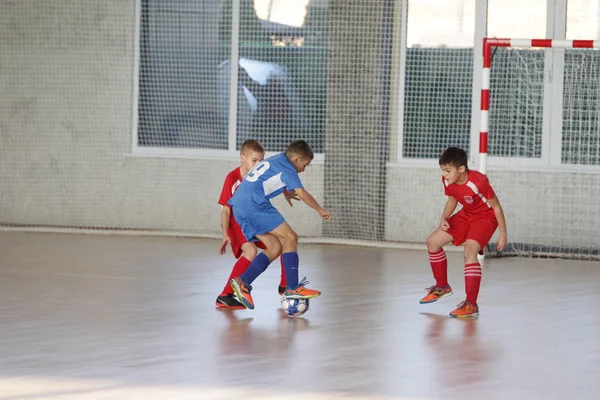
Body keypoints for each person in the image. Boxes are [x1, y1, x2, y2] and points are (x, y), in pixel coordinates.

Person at [228, 140, 331, 310]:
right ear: (297, 159)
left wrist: (285, 192)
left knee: (275, 246)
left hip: (240, 205)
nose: (304, 169)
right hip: (254, 205)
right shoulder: (289, 170)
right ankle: (292, 288)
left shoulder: (277, 159)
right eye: (305, 164)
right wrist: (320, 209)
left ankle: (243, 281)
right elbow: (303, 194)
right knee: (290, 237)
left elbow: (267, 177)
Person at [420, 147, 507, 318]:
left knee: (469, 252)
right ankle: (442, 287)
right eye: (443, 170)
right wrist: (444, 217)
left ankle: (471, 305)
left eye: (448, 170)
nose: (444, 174)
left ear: (461, 169)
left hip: (486, 218)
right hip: (466, 214)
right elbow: (452, 199)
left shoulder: (479, 181)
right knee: (432, 242)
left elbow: (496, 207)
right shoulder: (447, 181)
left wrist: (503, 233)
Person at [215, 139, 289, 309]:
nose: (258, 165)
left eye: (261, 161)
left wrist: (286, 192)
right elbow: (226, 210)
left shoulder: (259, 176)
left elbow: (275, 182)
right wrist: (225, 233)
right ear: (242, 158)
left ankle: (285, 286)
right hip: (236, 221)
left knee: (283, 241)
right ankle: (225, 295)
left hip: (253, 219)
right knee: (250, 251)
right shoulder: (232, 178)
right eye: (254, 161)